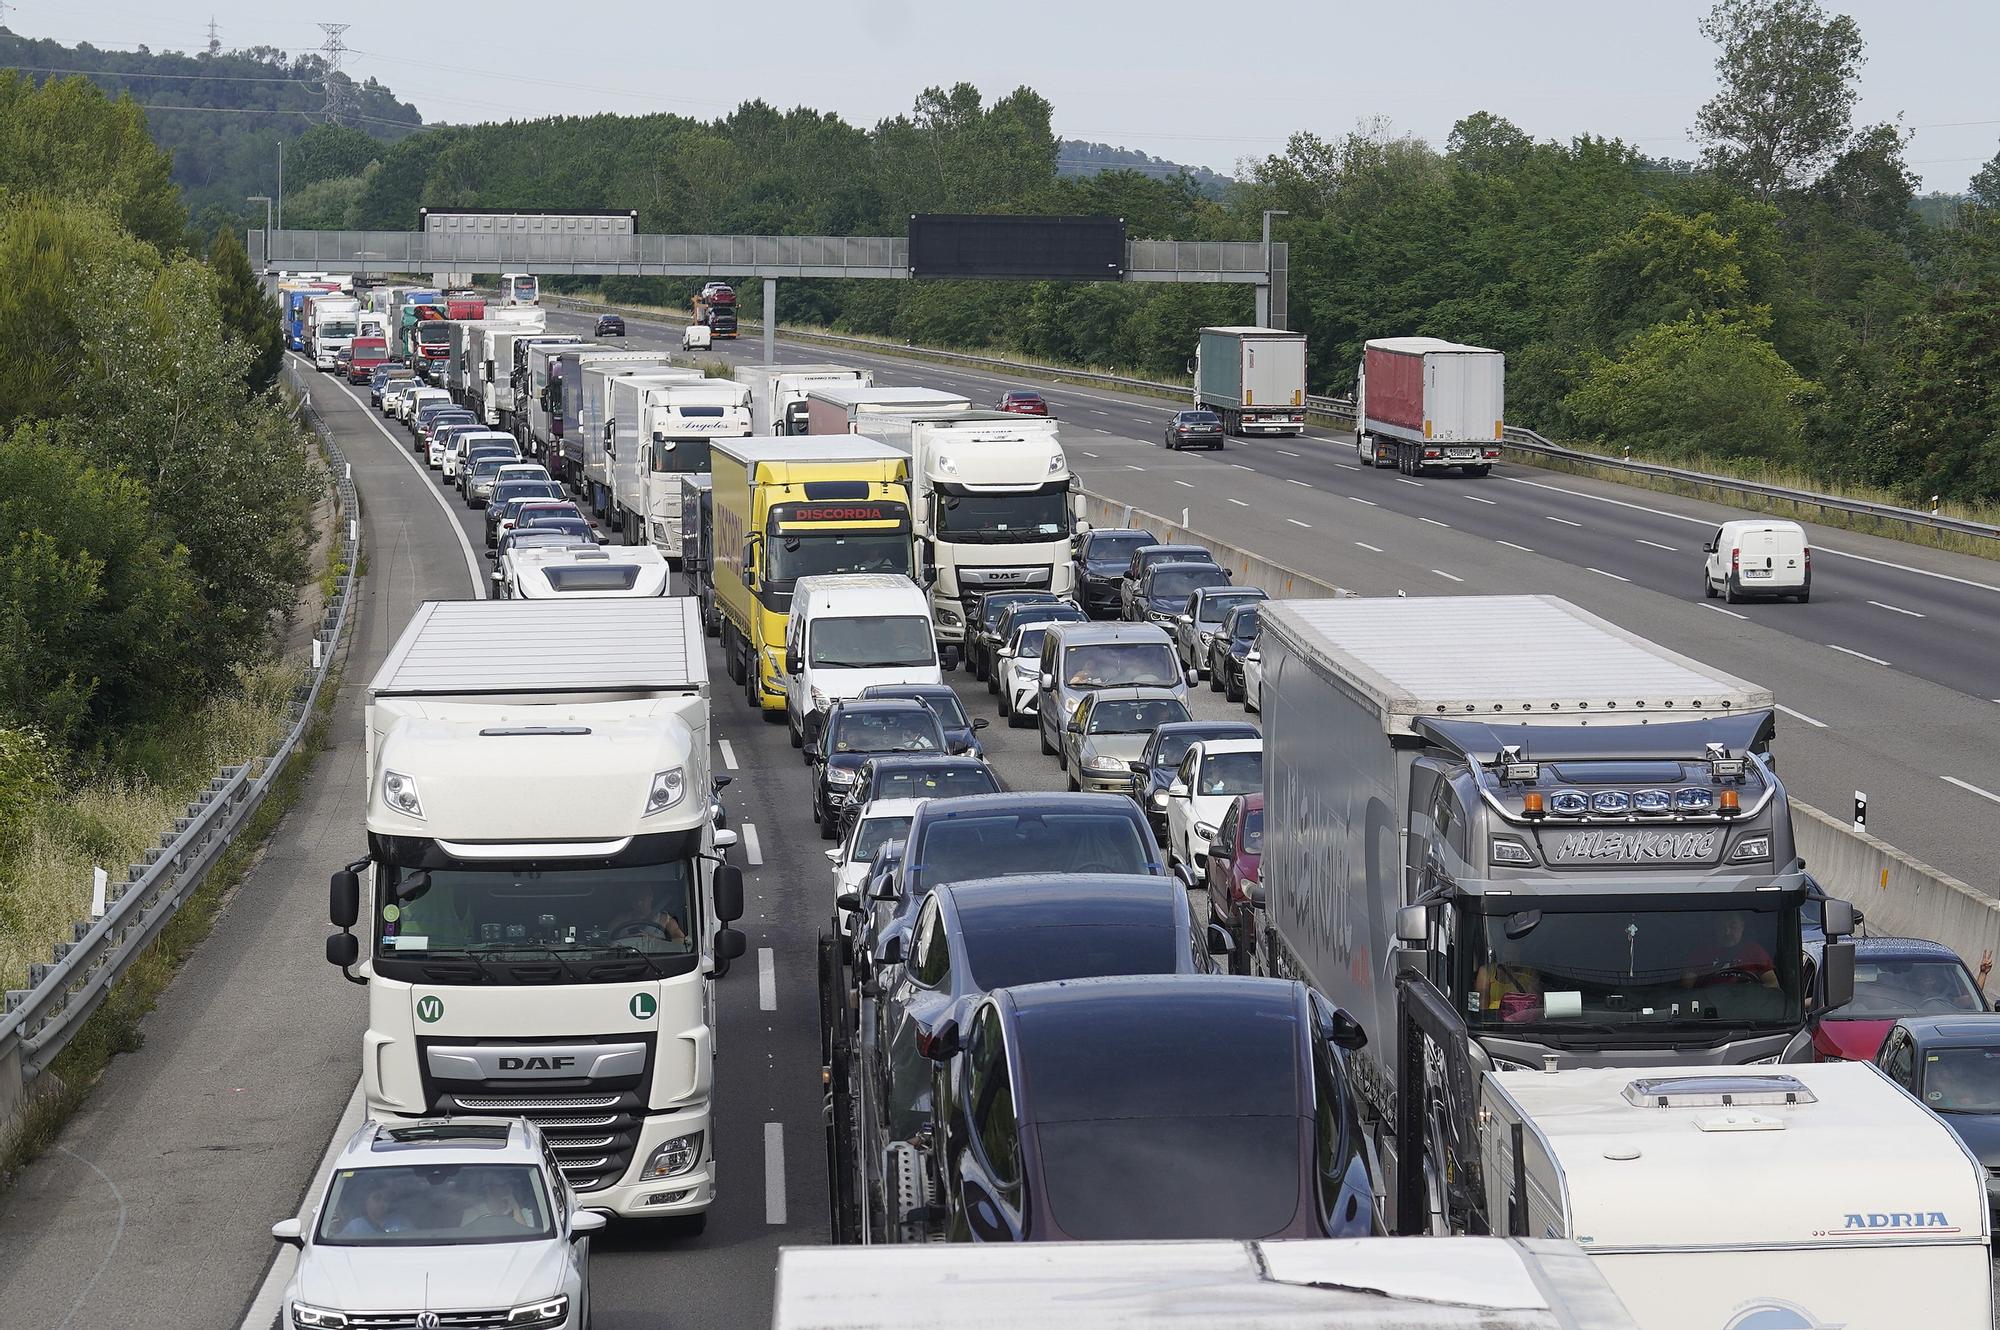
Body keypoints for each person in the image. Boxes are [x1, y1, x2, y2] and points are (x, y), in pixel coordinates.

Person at [1681, 914, 1777, 989]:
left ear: (1742, 926)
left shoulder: (1754, 951)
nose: (1727, 932)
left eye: (1733, 926)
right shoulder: (1701, 953)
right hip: (1710, 1008)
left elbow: (1772, 984)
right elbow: (1687, 985)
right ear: (1715, 927)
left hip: (1747, 1008)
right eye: (1722, 926)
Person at [1475, 936, 1543, 1022]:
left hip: (1522, 1022)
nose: (1509, 955)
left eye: (1514, 952)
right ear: (1499, 953)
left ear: (1520, 953)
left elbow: (1535, 1004)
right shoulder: (1486, 971)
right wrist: (1482, 1022)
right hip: (1495, 1022)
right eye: (1506, 952)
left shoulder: (1529, 972)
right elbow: (1480, 1003)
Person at [609, 880, 686, 944]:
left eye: (642, 900)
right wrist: (627, 939)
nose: (638, 904)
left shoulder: (665, 920)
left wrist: (654, 940)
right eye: (635, 900)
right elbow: (610, 943)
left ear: (651, 897)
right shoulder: (619, 921)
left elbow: (681, 942)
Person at [335, 1180, 413, 1238]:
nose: (382, 1203)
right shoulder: (355, 1226)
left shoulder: (401, 1221)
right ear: (366, 1201)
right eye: (376, 1198)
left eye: (386, 1199)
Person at [461, 1174, 536, 1229]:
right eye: (502, 1185)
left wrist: (515, 1206)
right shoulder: (471, 1213)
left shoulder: (523, 1213)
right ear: (488, 1188)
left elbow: (527, 1240)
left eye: (509, 1184)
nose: (508, 1188)